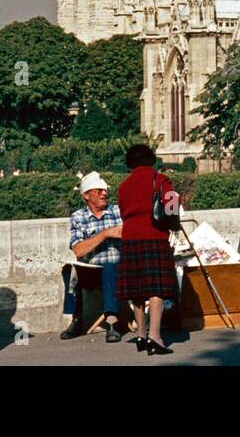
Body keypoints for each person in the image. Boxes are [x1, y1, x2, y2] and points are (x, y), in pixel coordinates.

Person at [116, 144, 177, 356]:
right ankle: (155, 336)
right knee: (156, 288)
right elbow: (172, 208)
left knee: (136, 289)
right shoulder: (160, 180)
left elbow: (124, 213)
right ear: (151, 159)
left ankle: (141, 334)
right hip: (154, 236)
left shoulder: (123, 186)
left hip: (131, 237)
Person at [61, 172, 124, 342]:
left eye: (105, 190)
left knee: (109, 266)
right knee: (69, 270)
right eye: (99, 190)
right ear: (86, 195)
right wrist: (105, 234)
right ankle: (77, 317)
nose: (104, 193)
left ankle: (112, 320)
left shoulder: (117, 211)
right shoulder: (78, 217)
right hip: (92, 271)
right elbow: (79, 250)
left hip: (118, 270)